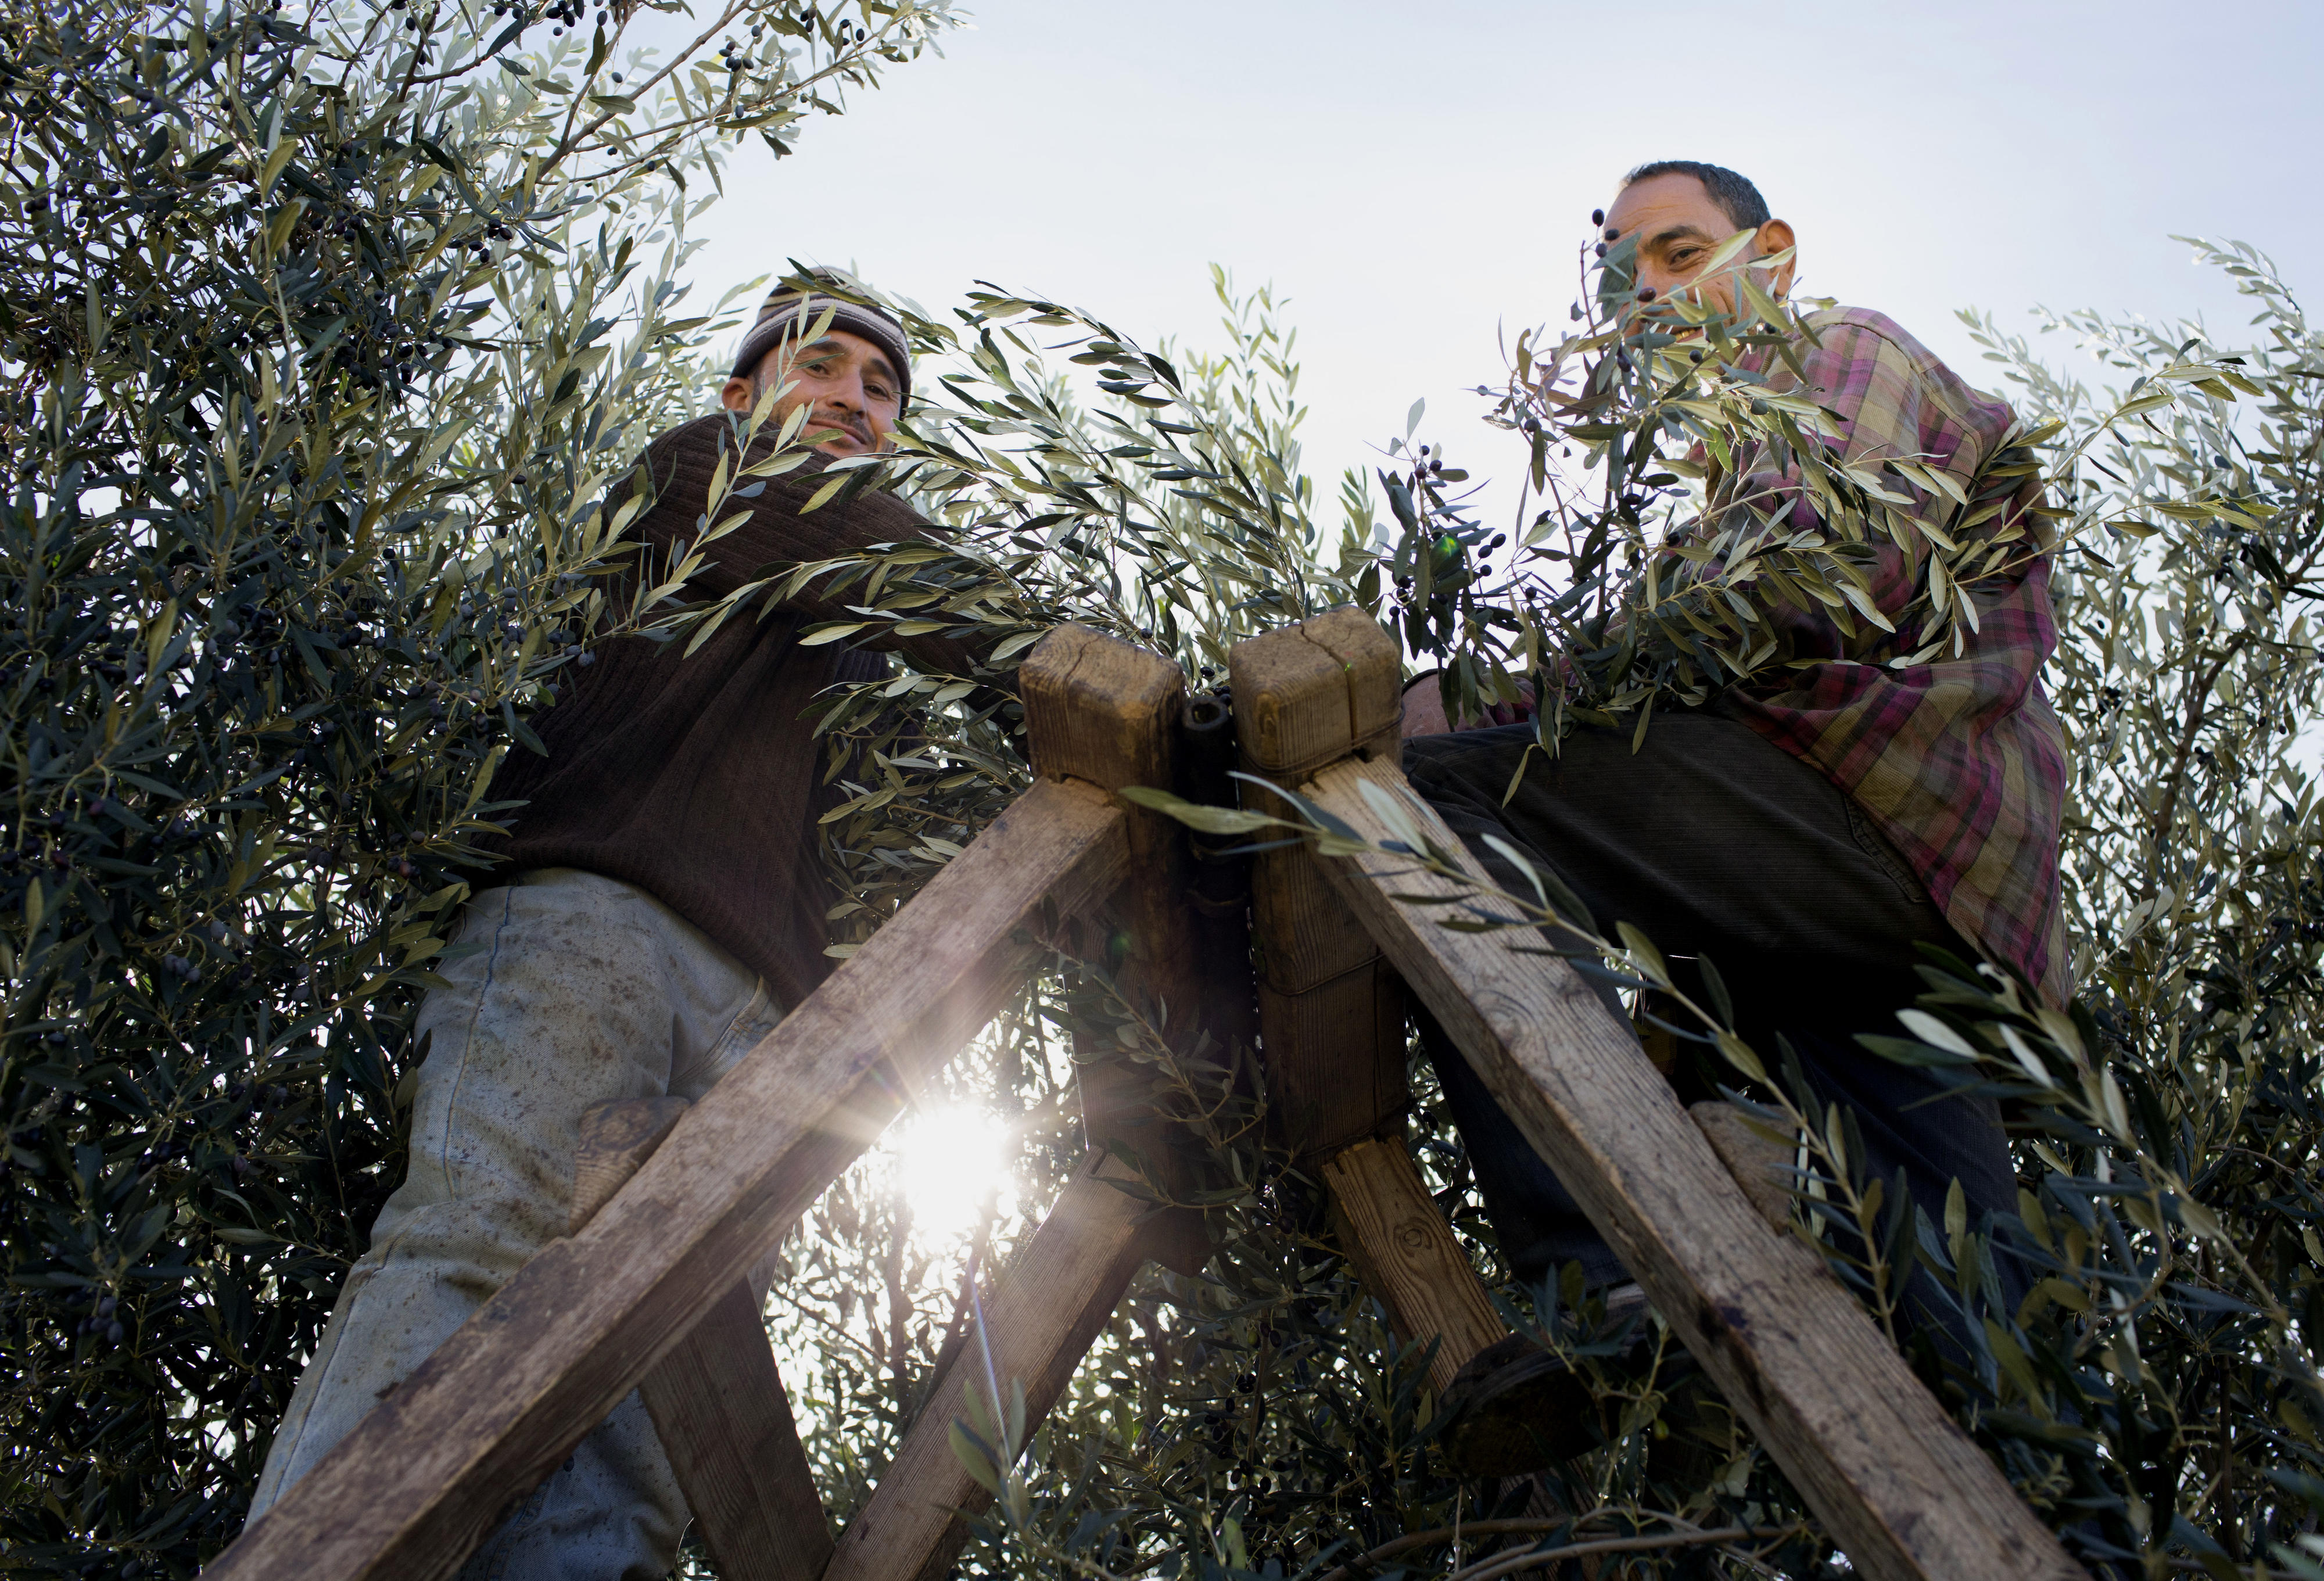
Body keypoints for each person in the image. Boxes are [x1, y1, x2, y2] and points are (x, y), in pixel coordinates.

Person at [248, 273, 1002, 1578]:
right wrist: (1072, 669)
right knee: (483, 1239)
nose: (854, 402)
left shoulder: (861, 625)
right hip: (589, 913)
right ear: (744, 393)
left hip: (763, 1005)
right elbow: (904, 572)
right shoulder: (707, 473)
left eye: (880, 389)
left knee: (660, 1380)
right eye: (822, 369)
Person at [1412, 161, 2067, 1474]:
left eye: (1673, 253)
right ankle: (2058, 1502)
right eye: (1618, 277)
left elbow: (1782, 575)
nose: (1641, 295)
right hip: (1898, 929)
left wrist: (1477, 692)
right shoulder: (1735, 451)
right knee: (1984, 1358)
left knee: (1434, 793)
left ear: (1766, 253)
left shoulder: (1839, 349)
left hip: (1854, 832)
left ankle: (1593, 1273)